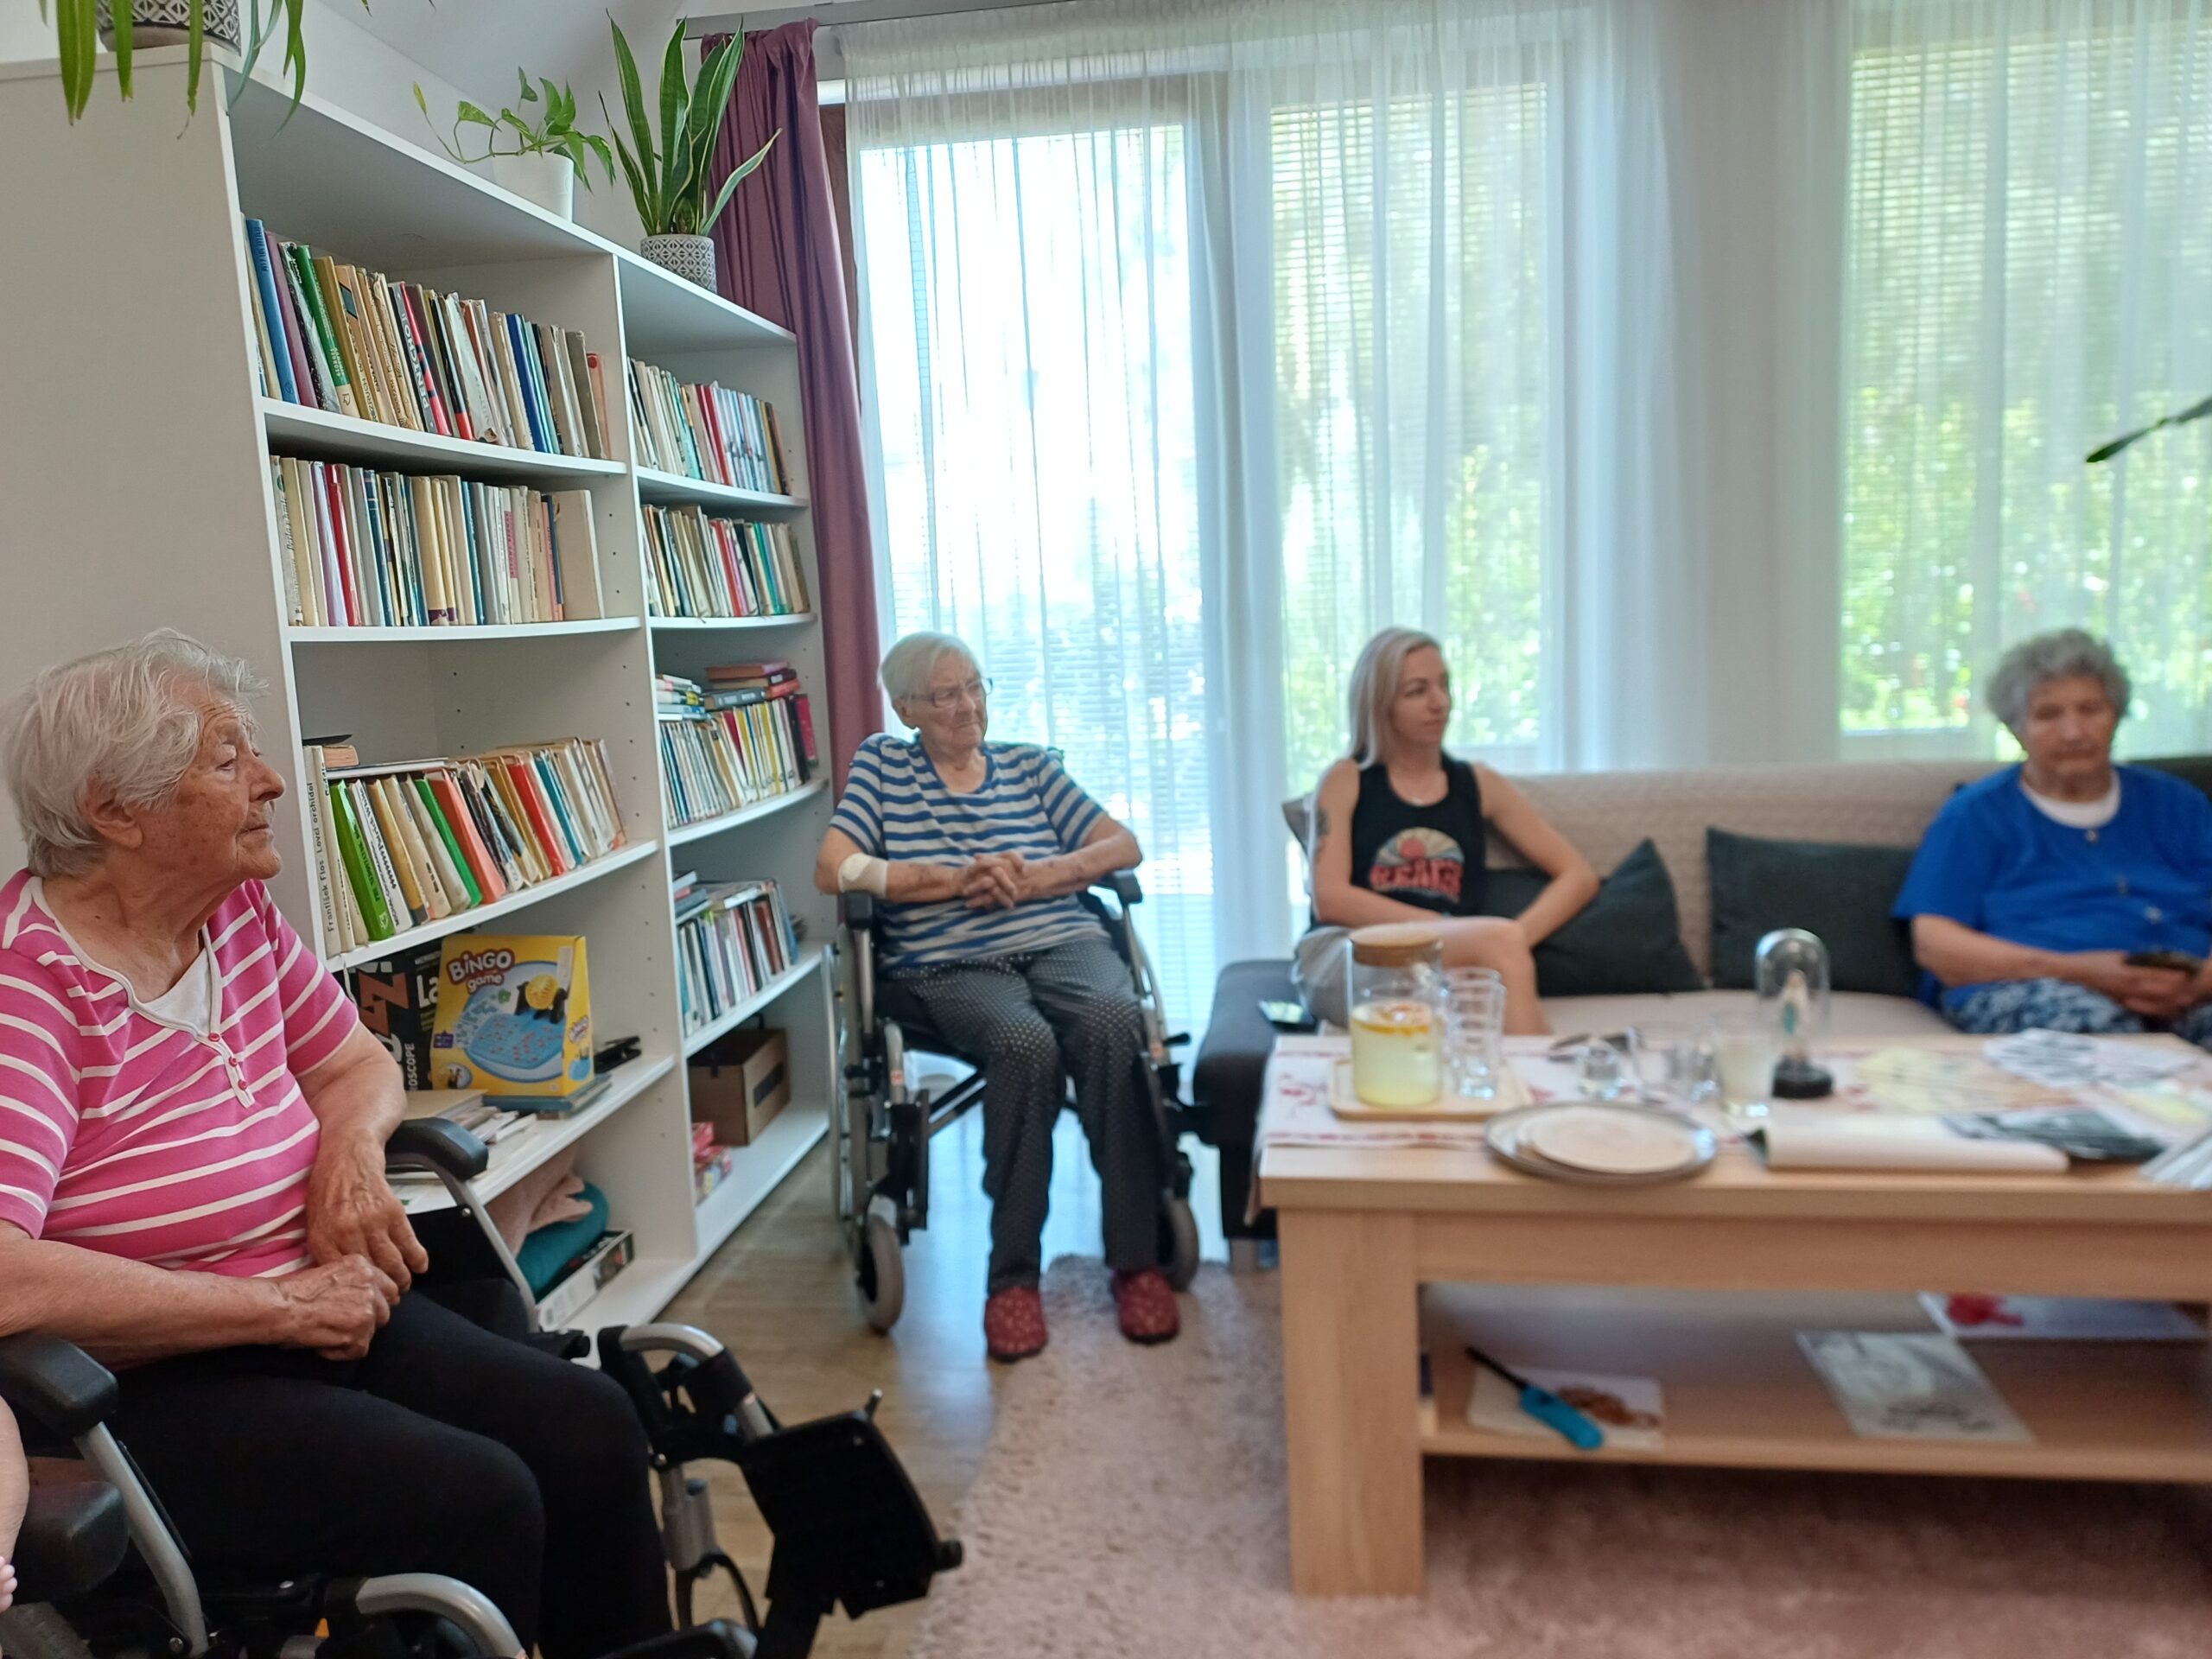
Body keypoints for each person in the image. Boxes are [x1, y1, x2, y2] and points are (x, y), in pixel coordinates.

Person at [0, 633, 670, 1659]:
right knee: (477, 1496)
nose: (271, 782)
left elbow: (356, 1064)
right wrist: (276, 1307)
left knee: (592, 1423)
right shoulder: (28, 992)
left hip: (325, 1308)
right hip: (159, 1381)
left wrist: (346, 1163)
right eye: (229, 760)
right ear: (114, 811)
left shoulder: (233, 916)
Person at [817, 632, 1173, 1362]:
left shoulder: (1031, 767)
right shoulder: (883, 767)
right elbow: (834, 868)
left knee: (1113, 1020)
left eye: (975, 687)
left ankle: (1137, 1258)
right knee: (1023, 1043)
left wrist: (1039, 876)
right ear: (906, 708)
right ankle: (1013, 1278)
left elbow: (1122, 847)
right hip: (948, 961)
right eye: (945, 695)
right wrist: (951, 880)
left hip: (1062, 939)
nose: (968, 706)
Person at [1897, 628, 2212, 1044]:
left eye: (2090, 710)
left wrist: (2201, 983)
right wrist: (2079, 971)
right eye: (2048, 715)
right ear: (2016, 729)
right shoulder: (1975, 815)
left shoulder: (2178, 804)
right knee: (2102, 1042)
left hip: (2185, 992)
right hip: (2033, 988)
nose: (2074, 732)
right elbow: (1935, 944)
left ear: (2116, 716)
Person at [1296, 627, 1598, 1034]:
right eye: (1417, 691)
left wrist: (1509, 940)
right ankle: (1545, 1074)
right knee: (1486, 954)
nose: (1439, 702)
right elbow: (1330, 899)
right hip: (1347, 950)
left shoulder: (1479, 784)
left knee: (1489, 959)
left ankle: (1527, 1071)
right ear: (1381, 704)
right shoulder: (1346, 779)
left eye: (1444, 685)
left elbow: (1579, 876)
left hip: (1442, 958)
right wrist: (1441, 927)